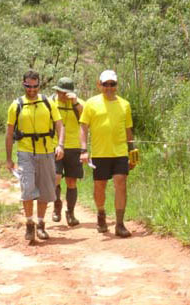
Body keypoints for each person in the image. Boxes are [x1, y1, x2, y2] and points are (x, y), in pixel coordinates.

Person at [5, 70, 65, 241]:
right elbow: (9, 134)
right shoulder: (16, 105)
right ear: (23, 84)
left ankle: (41, 224)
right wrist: (9, 159)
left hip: (46, 152)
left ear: (39, 85)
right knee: (28, 187)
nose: (31, 90)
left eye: (35, 86)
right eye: (28, 86)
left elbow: (60, 125)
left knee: (46, 189)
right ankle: (29, 224)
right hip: (25, 152)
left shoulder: (48, 103)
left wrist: (60, 145)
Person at [79, 70, 136, 238]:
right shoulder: (91, 103)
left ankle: (119, 224)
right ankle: (101, 213)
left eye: (112, 84)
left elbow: (128, 130)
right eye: (106, 84)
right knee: (100, 186)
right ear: (99, 85)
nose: (109, 87)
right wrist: (83, 150)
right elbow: (83, 127)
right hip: (99, 153)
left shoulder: (124, 104)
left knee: (121, 183)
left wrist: (132, 151)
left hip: (119, 152)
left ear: (116, 85)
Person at [49, 77, 85, 226]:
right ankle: (57, 207)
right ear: (56, 91)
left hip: (74, 147)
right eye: (60, 92)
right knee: (55, 178)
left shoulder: (80, 103)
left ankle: (70, 213)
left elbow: (87, 119)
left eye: (65, 92)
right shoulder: (50, 103)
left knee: (72, 181)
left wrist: (76, 103)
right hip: (54, 146)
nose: (62, 95)